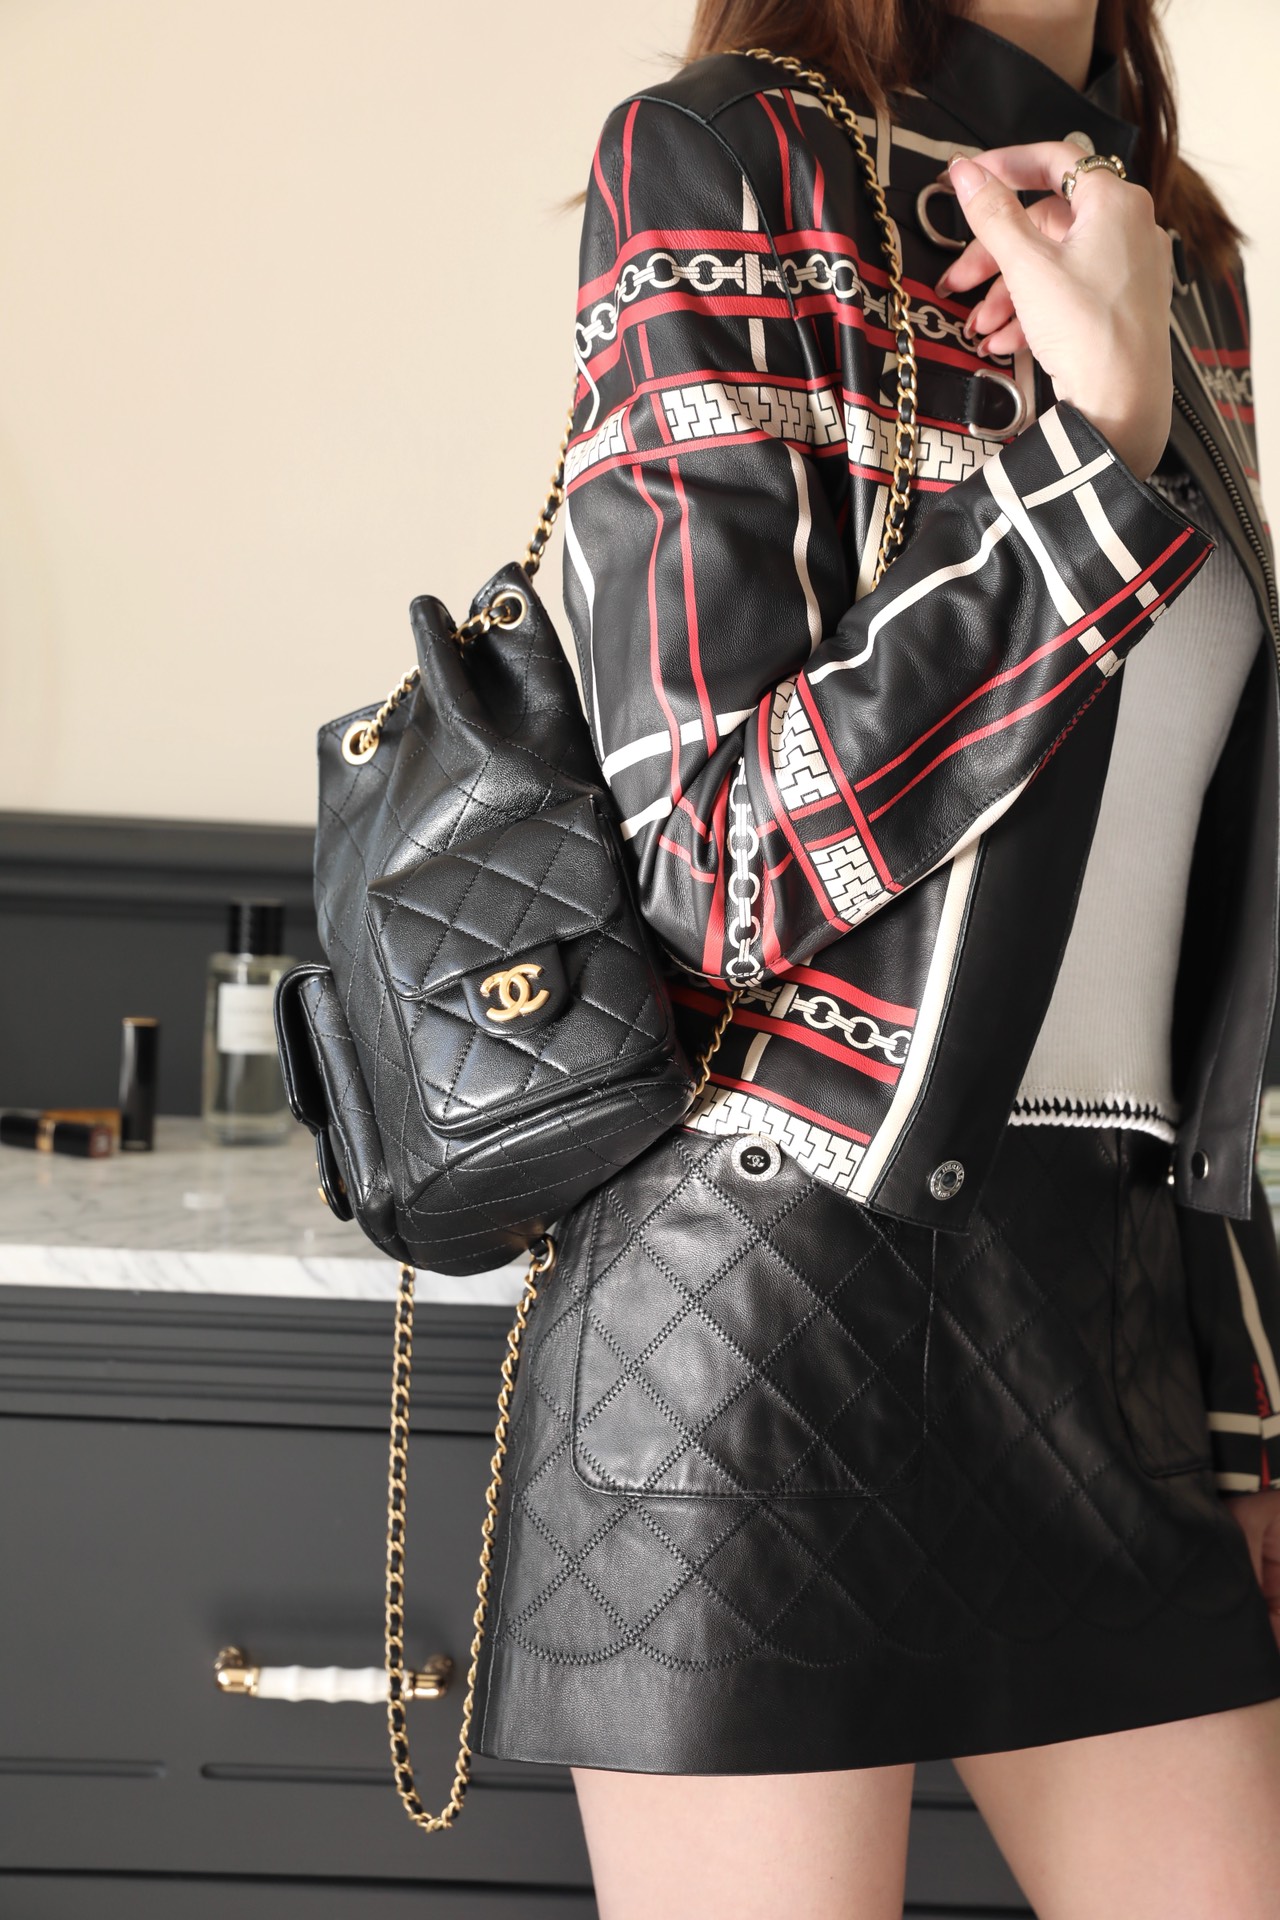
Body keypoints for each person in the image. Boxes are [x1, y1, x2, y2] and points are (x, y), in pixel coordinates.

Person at [471, 3, 1280, 1912]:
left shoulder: (1173, 251)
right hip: (757, 1308)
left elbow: (1183, 912)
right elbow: (712, 862)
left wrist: (1243, 1401)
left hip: (1108, 1314)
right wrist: (1096, 458)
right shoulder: (726, 164)